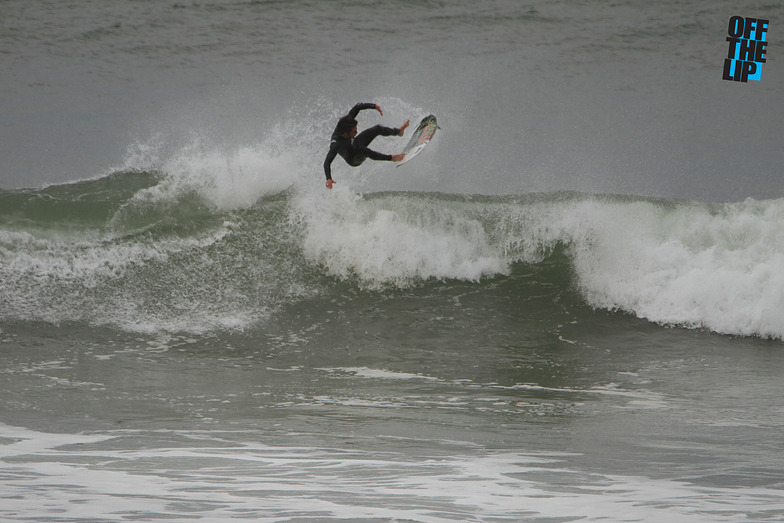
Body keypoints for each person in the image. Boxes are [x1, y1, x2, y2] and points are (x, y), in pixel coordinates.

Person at [323, 103, 409, 189]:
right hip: (353, 159)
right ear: (345, 134)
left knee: (377, 128)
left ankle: (399, 131)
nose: (356, 132)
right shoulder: (336, 144)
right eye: (354, 131)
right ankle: (392, 158)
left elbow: (357, 107)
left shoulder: (346, 122)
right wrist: (329, 179)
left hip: (355, 144)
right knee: (365, 151)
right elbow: (327, 162)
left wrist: (374, 106)